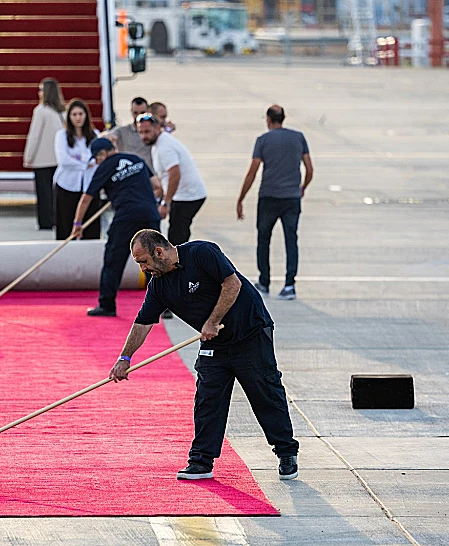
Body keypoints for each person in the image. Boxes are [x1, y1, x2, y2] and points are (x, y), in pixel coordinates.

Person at [109, 229, 300, 481]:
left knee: (264, 392)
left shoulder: (201, 252)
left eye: (143, 261)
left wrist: (212, 321)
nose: (143, 269)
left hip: (250, 332)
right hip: (215, 345)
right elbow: (143, 323)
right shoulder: (159, 286)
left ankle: (286, 452)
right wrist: (125, 359)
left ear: (159, 252)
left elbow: (232, 283)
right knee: (208, 399)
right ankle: (201, 461)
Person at [71, 138, 163, 317]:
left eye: (96, 158)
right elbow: (157, 186)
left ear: (102, 154)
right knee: (155, 260)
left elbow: (86, 198)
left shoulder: (105, 167)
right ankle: (165, 306)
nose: (97, 162)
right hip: (150, 214)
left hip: (126, 217)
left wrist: (77, 224)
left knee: (114, 259)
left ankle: (107, 305)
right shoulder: (136, 159)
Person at [237, 105, 313, 301]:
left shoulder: (263, 140)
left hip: (268, 197)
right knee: (291, 240)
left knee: (264, 240)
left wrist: (241, 198)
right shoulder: (298, 137)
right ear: (283, 118)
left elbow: (252, 171)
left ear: (268, 120)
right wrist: (302, 187)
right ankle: (289, 285)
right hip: (291, 198)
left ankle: (264, 281)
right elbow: (309, 168)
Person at [138, 113, 206, 246]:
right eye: (141, 132)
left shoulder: (165, 147)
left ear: (157, 128)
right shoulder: (158, 143)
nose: (144, 136)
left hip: (188, 195)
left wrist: (166, 203)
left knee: (176, 237)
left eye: (147, 131)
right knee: (177, 234)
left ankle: (180, 265)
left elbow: (175, 174)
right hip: (184, 194)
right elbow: (163, 177)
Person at [53, 99, 100, 240]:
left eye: (81, 114)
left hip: (89, 187)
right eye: (74, 114)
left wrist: (80, 160)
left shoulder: (95, 135)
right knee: (66, 226)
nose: (78, 117)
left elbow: (98, 158)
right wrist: (85, 163)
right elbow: (63, 160)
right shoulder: (61, 135)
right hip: (67, 186)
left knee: (91, 226)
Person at [23, 78, 65, 230]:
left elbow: (34, 136)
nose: (38, 92)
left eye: (41, 89)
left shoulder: (40, 111)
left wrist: (28, 157)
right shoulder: (62, 112)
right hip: (57, 159)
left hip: (42, 159)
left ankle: (45, 222)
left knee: (43, 193)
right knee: (55, 193)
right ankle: (55, 219)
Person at [105, 96, 152, 166]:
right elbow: (108, 136)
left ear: (148, 112)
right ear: (131, 112)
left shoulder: (154, 131)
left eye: (142, 113)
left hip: (149, 173)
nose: (139, 116)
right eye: (135, 113)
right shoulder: (122, 131)